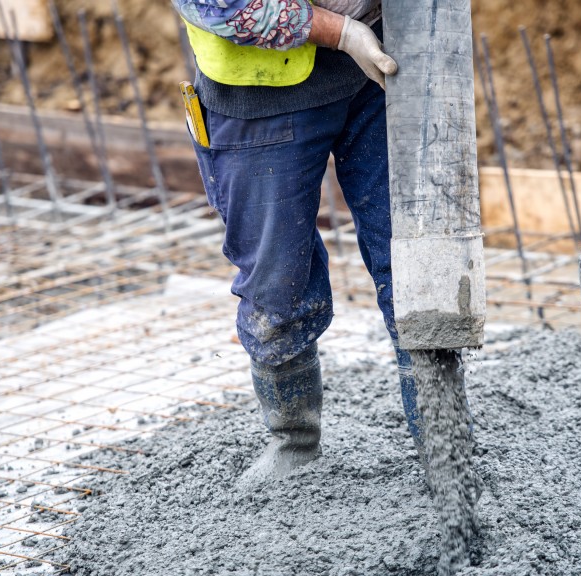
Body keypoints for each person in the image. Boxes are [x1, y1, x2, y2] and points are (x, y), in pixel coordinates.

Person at [172, 0, 418, 482]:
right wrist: (342, 33)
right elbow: (224, 7)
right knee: (275, 282)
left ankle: (442, 437)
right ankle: (295, 441)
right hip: (260, 94)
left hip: (384, 66)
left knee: (415, 258)